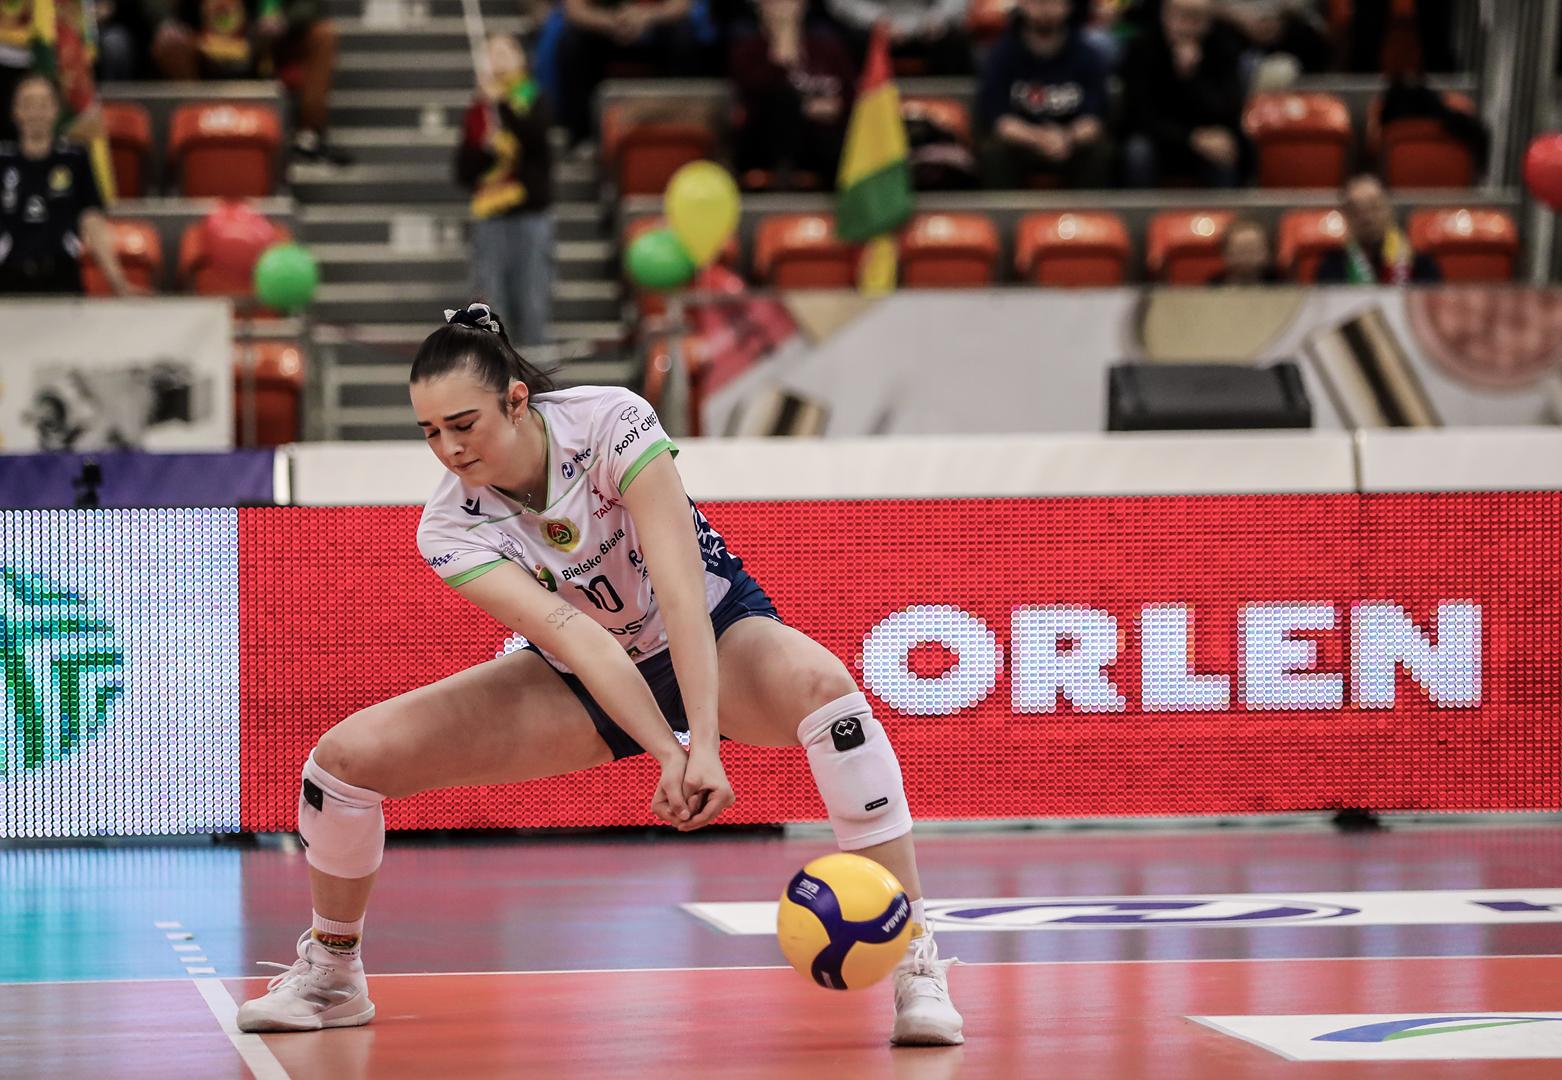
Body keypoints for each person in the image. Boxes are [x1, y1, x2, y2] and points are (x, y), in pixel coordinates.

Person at [234, 302, 966, 1048]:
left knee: (827, 694)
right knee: (342, 763)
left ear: (515, 400)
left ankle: (915, 963)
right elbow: (574, 636)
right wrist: (670, 755)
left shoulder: (612, 422)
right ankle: (332, 971)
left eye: (463, 424)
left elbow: (679, 588)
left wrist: (703, 740)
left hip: (716, 631)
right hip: (583, 675)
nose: (449, 449)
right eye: (430, 432)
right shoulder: (449, 526)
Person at [148, 0, 351, 164]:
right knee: (170, 42)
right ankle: (190, 130)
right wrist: (166, 21)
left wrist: (285, 21)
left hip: (265, 40)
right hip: (199, 40)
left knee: (323, 34)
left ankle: (307, 137)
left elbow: (309, 5)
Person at [455, 35, 555, 347]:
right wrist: (485, 148)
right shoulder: (479, 111)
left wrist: (502, 104)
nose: (497, 58)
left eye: (504, 51)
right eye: (491, 52)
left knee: (533, 299)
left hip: (530, 215)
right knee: (491, 303)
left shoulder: (532, 97)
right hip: (491, 217)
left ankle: (536, 371)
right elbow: (463, 171)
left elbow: (535, 140)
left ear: (520, 58)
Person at [0, 72, 139, 295]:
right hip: (8, 282)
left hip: (62, 279)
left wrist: (118, 282)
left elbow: (92, 220)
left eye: (43, 104)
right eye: (28, 104)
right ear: (15, 111)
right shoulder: (4, 161)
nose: (36, 112)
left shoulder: (74, 159)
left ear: (56, 110)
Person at [975, 0, 1113, 189]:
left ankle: (1090, 207)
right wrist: (1039, 139)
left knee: (1099, 150)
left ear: (1068, 6)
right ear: (1023, 5)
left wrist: (1067, 137)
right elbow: (999, 120)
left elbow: (1094, 119)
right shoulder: (1002, 55)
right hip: (1022, 142)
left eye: (1053, 2)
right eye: (1038, 2)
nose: (1045, 9)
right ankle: (1005, 208)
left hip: (1071, 143)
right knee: (994, 151)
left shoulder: (1087, 55)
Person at [1120, 0, 1248, 188]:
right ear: (1165, 15)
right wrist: (1190, 138)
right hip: (1161, 139)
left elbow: (1228, 111)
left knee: (1225, 147)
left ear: (1209, 21)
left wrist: (1192, 78)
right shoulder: (1143, 46)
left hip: (1208, 137)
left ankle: (1229, 208)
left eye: (1196, 18)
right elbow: (1139, 116)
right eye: (1180, 16)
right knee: (1138, 151)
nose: (1187, 26)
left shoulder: (1223, 46)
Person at [729, 0, 855, 189]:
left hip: (823, 143)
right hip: (764, 143)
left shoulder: (828, 49)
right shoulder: (748, 50)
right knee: (783, 104)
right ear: (760, 7)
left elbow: (848, 98)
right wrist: (783, 49)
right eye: (774, 2)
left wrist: (834, 108)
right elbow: (756, 97)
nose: (783, 7)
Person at [556, 0, 706, 150]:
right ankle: (581, 140)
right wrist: (611, 22)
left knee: (683, 36)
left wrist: (646, 17)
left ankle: (684, 132)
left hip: (655, 30)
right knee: (571, 43)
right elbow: (574, 11)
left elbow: (681, 7)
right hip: (605, 31)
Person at [1314, 173, 1441, 284]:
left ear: (1389, 209)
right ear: (1345, 215)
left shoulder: (1421, 263)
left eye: (1374, 207)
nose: (1366, 217)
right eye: (1356, 210)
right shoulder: (1331, 267)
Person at [824, 0, 973, 75]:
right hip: (871, 26)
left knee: (957, 44)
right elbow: (842, 3)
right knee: (840, 42)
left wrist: (940, 17)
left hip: (929, 24)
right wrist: (876, 20)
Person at [1208, 218, 1281, 284]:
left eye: (1252, 251)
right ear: (1225, 253)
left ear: (1268, 252)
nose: (1247, 258)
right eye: (1240, 252)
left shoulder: (1280, 284)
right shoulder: (1212, 286)